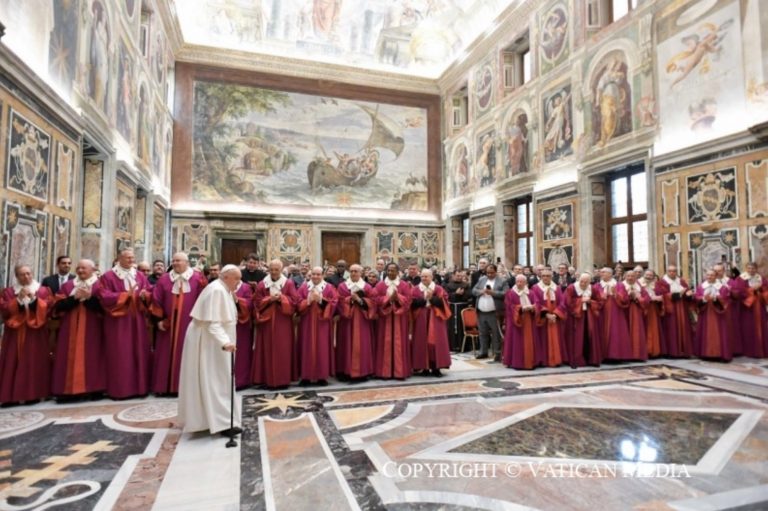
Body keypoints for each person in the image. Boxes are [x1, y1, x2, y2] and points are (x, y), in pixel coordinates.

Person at [177, 264, 242, 437]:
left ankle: (213, 419)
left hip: (212, 341)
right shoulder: (217, 291)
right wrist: (225, 342)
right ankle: (222, 424)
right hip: (210, 343)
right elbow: (213, 324)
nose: (238, 282)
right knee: (216, 381)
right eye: (236, 278)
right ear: (226, 276)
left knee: (217, 380)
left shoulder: (222, 289)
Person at [96, 248, 152, 399]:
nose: (131, 260)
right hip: (118, 321)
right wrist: (125, 296)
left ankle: (140, 388)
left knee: (139, 351)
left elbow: (149, 290)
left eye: (133, 258)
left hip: (138, 320)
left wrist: (144, 295)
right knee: (120, 354)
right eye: (128, 258)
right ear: (119, 258)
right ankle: (121, 390)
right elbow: (103, 295)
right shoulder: (108, 276)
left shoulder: (139, 275)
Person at [150, 252, 207, 395]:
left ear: (187, 263)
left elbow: (204, 300)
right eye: (173, 261)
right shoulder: (164, 279)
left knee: (187, 354)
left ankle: (185, 388)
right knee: (164, 355)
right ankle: (163, 387)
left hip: (190, 324)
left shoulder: (198, 278)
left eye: (178, 261)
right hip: (168, 325)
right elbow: (156, 300)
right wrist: (160, 320)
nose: (175, 263)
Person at [51, 259, 106, 400]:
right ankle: (67, 391)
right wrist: (74, 298)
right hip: (69, 329)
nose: (80, 271)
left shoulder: (100, 285)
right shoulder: (68, 286)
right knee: (67, 357)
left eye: (84, 268)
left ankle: (94, 389)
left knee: (93, 357)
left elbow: (106, 308)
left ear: (93, 270)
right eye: (79, 268)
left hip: (93, 329)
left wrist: (89, 298)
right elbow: (57, 307)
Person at [0, 265, 53, 404]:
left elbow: (49, 307)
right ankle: (10, 396)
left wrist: (35, 300)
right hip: (14, 333)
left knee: (34, 361)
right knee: (12, 361)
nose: (26, 277)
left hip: (35, 333)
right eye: (22, 274)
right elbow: (4, 309)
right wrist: (17, 301)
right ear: (16, 276)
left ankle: (34, 394)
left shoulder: (42, 290)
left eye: (29, 273)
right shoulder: (9, 292)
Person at [252, 260, 298, 389]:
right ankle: (267, 378)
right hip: (266, 321)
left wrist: (281, 298)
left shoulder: (288, 283)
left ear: (281, 269)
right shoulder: (262, 284)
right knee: (266, 348)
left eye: (276, 269)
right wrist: (269, 299)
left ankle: (282, 379)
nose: (273, 272)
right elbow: (256, 302)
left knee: (282, 349)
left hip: (282, 321)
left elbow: (294, 301)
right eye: (271, 269)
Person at [297, 267, 338, 385]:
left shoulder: (329, 288)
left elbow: (334, 302)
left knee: (322, 348)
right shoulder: (304, 287)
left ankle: (322, 376)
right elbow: (298, 302)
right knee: (306, 347)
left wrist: (320, 300)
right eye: (313, 274)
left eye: (318, 274)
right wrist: (308, 301)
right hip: (307, 322)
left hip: (322, 323)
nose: (315, 276)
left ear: (323, 275)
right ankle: (305, 376)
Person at [336, 264, 376, 381]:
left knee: (362, 344)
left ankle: (363, 371)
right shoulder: (343, 286)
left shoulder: (367, 287)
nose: (353, 273)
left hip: (363, 320)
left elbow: (373, 303)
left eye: (356, 271)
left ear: (361, 273)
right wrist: (350, 300)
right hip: (347, 321)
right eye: (352, 271)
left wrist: (360, 300)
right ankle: (345, 371)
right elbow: (339, 302)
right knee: (346, 344)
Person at [373, 263, 412, 379]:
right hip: (384, 319)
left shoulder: (404, 285)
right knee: (384, 343)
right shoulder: (380, 285)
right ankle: (384, 371)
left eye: (393, 270)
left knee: (399, 344)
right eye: (389, 270)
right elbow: (375, 299)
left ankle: (400, 372)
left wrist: (398, 298)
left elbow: (409, 300)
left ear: (397, 272)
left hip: (399, 318)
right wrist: (388, 299)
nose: (390, 272)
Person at [410, 269, 452, 377]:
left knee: (436, 343)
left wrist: (432, 299)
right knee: (421, 342)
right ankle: (424, 367)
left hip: (436, 319)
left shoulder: (438, 289)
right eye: (422, 276)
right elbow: (412, 303)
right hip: (420, 319)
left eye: (426, 276)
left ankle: (436, 368)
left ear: (432, 277)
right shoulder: (415, 289)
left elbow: (445, 303)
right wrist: (424, 299)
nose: (424, 278)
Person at [564, 273, 603, 367]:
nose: (583, 283)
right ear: (578, 279)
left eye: (586, 282)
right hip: (576, 317)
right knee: (577, 338)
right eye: (582, 281)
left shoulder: (593, 288)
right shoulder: (571, 288)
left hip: (589, 316)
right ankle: (576, 360)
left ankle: (592, 359)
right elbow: (567, 302)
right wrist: (580, 301)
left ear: (590, 282)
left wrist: (590, 301)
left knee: (590, 336)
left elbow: (600, 302)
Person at [531, 269, 567, 367]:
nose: (546, 278)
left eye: (548, 276)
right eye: (543, 276)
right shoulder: (535, 288)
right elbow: (536, 303)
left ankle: (556, 359)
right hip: (543, 318)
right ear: (541, 277)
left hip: (555, 319)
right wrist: (546, 314)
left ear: (551, 277)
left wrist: (555, 314)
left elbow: (562, 303)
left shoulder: (557, 288)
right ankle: (544, 360)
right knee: (543, 339)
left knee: (556, 339)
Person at [472, 263, 508, 361]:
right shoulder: (482, 279)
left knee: (496, 334)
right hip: (481, 311)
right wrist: (481, 291)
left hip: (494, 312)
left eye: (491, 273)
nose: (489, 275)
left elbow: (506, 294)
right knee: (482, 333)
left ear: (496, 272)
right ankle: (483, 352)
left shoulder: (502, 281)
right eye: (487, 273)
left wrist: (493, 293)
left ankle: (497, 354)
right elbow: (474, 290)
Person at [694, 269, 732, 361]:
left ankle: (720, 354)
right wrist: (703, 299)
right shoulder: (701, 287)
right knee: (706, 332)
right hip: (705, 313)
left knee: (719, 332)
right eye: (708, 275)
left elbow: (725, 298)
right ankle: (705, 353)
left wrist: (715, 298)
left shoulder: (722, 287)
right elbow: (696, 297)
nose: (709, 277)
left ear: (716, 276)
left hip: (718, 314)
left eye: (712, 275)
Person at [731, 262, 767, 358]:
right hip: (747, 307)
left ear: (756, 269)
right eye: (749, 268)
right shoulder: (741, 279)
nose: (751, 270)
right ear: (746, 268)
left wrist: (760, 288)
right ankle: (749, 350)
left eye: (753, 268)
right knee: (748, 328)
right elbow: (739, 291)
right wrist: (751, 290)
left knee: (761, 326)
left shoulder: (761, 278)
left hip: (759, 306)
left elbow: (766, 289)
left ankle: (761, 349)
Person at [612, 270, 650, 361]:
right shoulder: (620, 285)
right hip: (623, 312)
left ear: (636, 277)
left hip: (636, 311)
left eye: (632, 276)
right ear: (625, 276)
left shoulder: (639, 286)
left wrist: (638, 298)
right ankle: (625, 354)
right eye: (628, 276)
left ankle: (637, 355)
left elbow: (647, 298)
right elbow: (618, 297)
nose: (630, 278)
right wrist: (628, 295)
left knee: (636, 332)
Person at [657, 265, 694, 357]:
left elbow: (686, 291)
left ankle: (685, 351)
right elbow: (662, 294)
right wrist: (677, 295)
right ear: (666, 271)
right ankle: (672, 352)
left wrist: (689, 294)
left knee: (684, 327)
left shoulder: (681, 281)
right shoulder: (662, 282)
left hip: (682, 308)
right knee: (671, 329)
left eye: (674, 271)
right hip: (671, 309)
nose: (672, 273)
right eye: (670, 271)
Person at [503, 275, 538, 369]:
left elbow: (536, 303)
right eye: (517, 281)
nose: (519, 283)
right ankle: (516, 362)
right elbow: (509, 307)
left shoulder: (530, 293)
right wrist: (521, 308)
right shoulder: (510, 293)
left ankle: (529, 361)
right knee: (516, 342)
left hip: (528, 320)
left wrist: (533, 307)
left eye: (521, 281)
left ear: (525, 283)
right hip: (516, 321)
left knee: (528, 341)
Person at [444, 270, 471, 351]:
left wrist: (462, 294)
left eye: (460, 276)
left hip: (462, 308)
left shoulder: (466, 285)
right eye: (457, 275)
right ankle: (453, 346)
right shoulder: (448, 285)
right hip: (452, 308)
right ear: (453, 276)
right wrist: (455, 294)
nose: (459, 277)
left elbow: (469, 295)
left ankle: (464, 346)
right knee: (451, 327)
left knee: (462, 326)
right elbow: (446, 296)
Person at [640, 269, 664, 358]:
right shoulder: (639, 284)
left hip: (653, 309)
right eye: (647, 274)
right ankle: (645, 351)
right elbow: (639, 296)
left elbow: (661, 295)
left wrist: (660, 298)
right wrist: (650, 299)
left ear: (653, 276)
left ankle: (653, 351)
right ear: (643, 275)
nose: (648, 276)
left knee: (653, 329)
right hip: (643, 309)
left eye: (650, 275)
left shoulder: (656, 285)